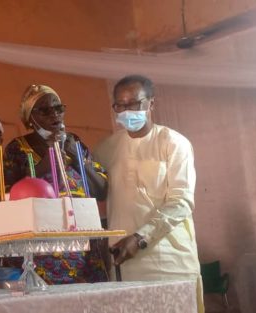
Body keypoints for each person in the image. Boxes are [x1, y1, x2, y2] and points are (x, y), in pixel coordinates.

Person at [94, 75, 203, 312]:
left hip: (170, 262)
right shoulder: (106, 149)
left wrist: (140, 237)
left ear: (151, 103)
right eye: (120, 105)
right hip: (124, 262)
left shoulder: (173, 143)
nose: (126, 111)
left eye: (134, 103)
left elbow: (181, 201)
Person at [0, 84, 109, 284]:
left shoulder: (75, 143)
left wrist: (77, 158)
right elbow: (3, 194)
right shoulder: (18, 148)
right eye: (45, 111)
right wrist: (50, 159)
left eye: (58, 108)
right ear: (30, 118)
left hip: (83, 251)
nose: (54, 115)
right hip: (39, 253)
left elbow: (102, 190)